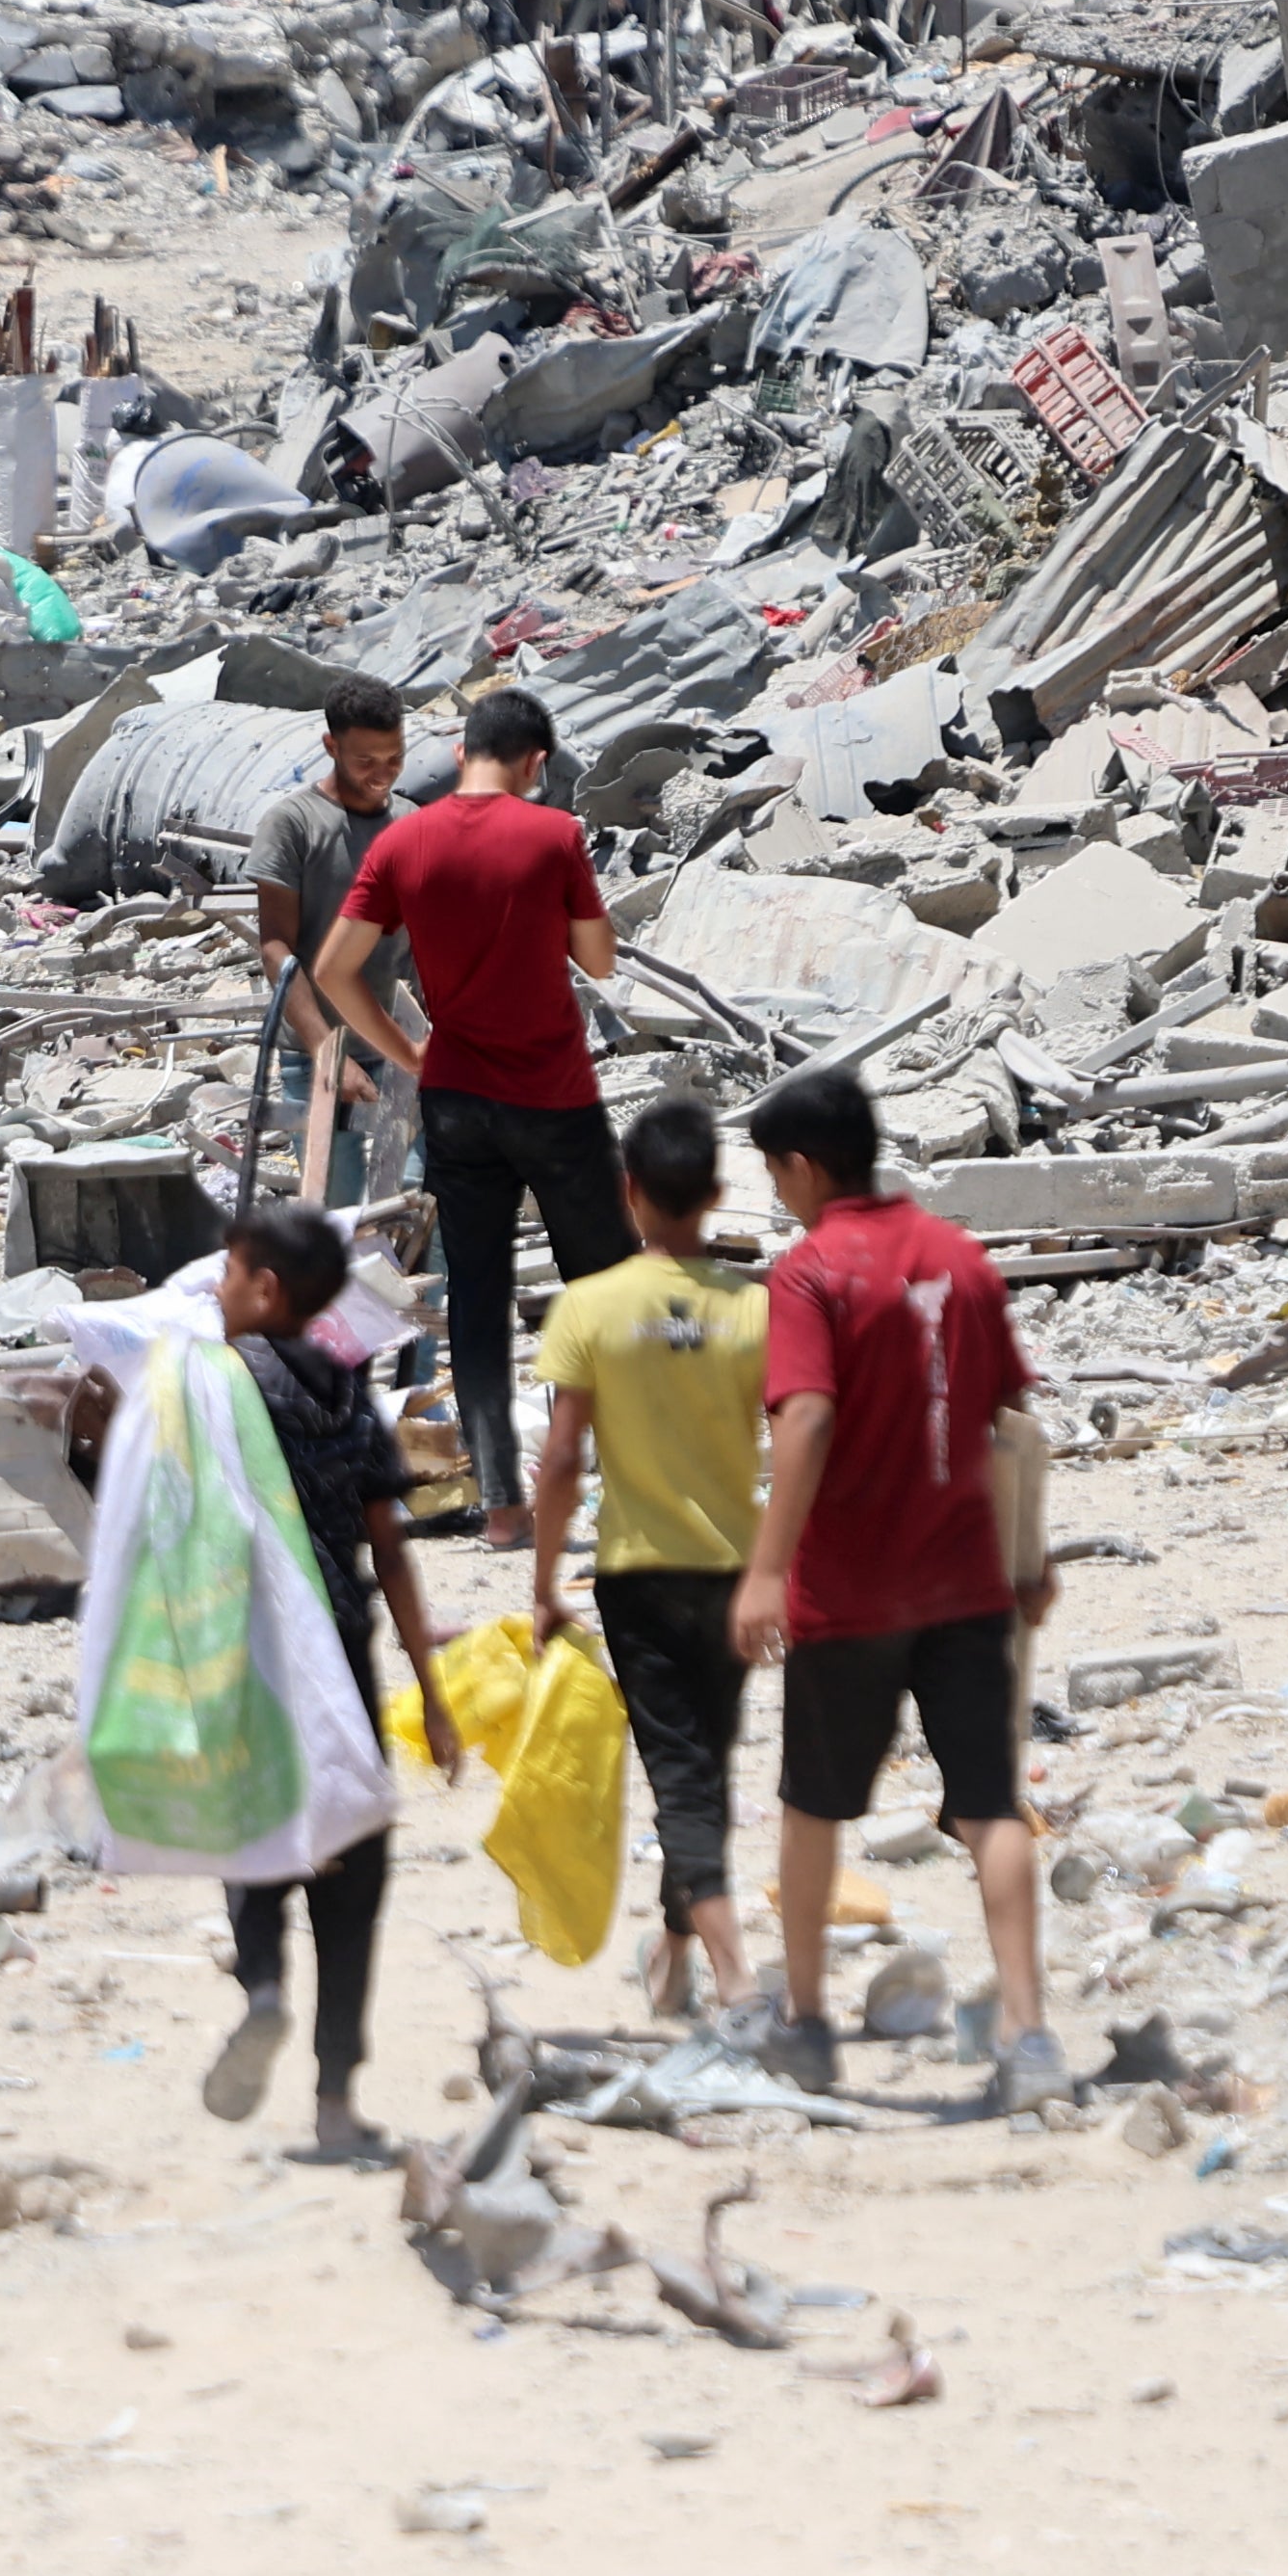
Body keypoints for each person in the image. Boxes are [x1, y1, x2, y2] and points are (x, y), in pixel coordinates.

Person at [730, 1061, 1063, 2114]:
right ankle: (1029, 2029)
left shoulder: (809, 1273)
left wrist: (769, 1567)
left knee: (812, 1809)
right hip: (965, 1580)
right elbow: (1013, 1423)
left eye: (777, 1171)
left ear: (806, 1165)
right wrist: (1032, 1561)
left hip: (851, 1589)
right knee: (989, 1808)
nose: (778, 1191)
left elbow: (809, 1420)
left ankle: (808, 2025)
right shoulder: (960, 1258)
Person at [313, 686, 634, 1541]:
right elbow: (598, 960)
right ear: (536, 765)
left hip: (457, 1098)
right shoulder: (555, 834)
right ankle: (620, 1479)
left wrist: (410, 1051)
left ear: (460, 754)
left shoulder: (402, 840)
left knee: (480, 1298)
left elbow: (336, 970)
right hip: (554, 1096)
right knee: (604, 1288)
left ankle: (503, 1507)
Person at [198, 1199, 460, 2163]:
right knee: (353, 1876)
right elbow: (390, 1549)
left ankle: (263, 1984)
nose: (219, 1291)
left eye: (228, 1273)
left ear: (265, 1289)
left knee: (258, 1841)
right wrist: (432, 1698)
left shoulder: (220, 1385)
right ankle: (337, 2100)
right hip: (344, 1653)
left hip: (253, 1652)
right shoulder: (352, 1387)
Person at [524, 1094, 769, 2019]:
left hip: (637, 1575)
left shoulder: (588, 1306)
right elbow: (800, 1438)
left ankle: (736, 1977)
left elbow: (559, 1461)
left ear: (629, 1194)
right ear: (714, 1193)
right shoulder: (757, 1309)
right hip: (736, 1575)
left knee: (683, 1778)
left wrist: (545, 1583)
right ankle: (675, 1966)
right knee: (702, 1767)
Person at [247, 680, 411, 1207]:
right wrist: (327, 1052)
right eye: (366, 759)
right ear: (331, 746)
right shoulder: (294, 825)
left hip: (402, 1050)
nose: (381, 773)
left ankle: (419, 1296)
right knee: (337, 1218)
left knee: (416, 1202)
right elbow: (276, 947)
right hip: (316, 1057)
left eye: (394, 757)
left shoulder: (411, 825)